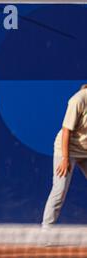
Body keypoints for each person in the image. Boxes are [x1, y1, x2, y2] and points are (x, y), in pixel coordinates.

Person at [42, 84, 87, 227]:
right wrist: (65, 158)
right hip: (66, 149)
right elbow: (66, 130)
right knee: (59, 191)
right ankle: (46, 232)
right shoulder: (77, 100)